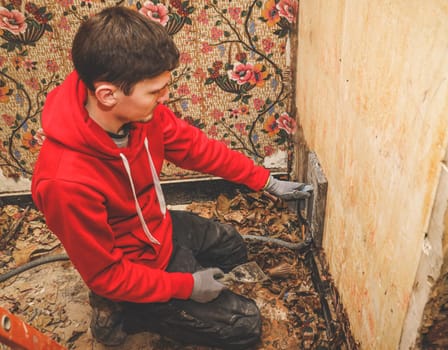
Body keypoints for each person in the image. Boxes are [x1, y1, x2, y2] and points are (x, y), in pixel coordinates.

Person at [30, 5, 311, 349]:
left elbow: (198, 149)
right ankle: (126, 311)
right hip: (130, 264)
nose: (165, 97)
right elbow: (106, 273)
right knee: (245, 325)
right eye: (155, 91)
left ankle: (155, 300)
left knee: (231, 245)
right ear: (107, 94)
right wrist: (185, 287)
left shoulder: (140, 115)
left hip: (156, 228)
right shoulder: (65, 182)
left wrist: (264, 181)